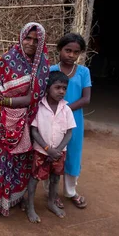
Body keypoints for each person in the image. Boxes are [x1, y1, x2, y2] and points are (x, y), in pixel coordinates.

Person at [0, 22, 50, 216]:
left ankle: (16, 197)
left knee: (23, 161)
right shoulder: (8, 59)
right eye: (28, 38)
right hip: (3, 119)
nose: (31, 43)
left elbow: (38, 95)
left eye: (36, 40)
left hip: (30, 120)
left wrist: (7, 100)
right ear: (21, 37)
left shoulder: (44, 63)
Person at [25, 71, 76, 223]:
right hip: (41, 152)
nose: (61, 91)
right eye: (57, 87)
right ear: (47, 88)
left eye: (64, 88)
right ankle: (30, 207)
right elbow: (34, 131)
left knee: (55, 179)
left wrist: (58, 149)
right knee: (35, 178)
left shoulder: (66, 109)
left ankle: (51, 202)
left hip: (59, 153)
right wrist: (48, 149)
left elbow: (69, 133)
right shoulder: (39, 107)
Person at [49, 33, 92, 209]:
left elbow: (86, 98)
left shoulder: (83, 72)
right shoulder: (51, 71)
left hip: (73, 121)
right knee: (52, 153)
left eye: (76, 52)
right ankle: (51, 192)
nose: (71, 55)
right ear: (60, 49)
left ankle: (70, 191)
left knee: (73, 154)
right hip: (52, 120)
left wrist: (64, 110)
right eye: (67, 50)